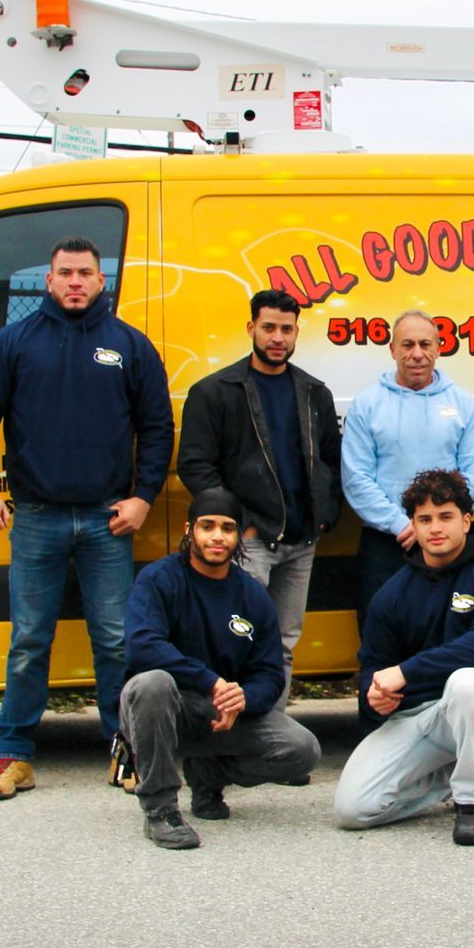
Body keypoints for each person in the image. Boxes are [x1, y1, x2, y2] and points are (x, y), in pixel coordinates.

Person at [0, 235, 173, 803]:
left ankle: (124, 751)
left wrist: (143, 498)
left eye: (86, 272)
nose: (76, 281)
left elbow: (157, 426)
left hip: (109, 521)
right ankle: (13, 756)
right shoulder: (14, 343)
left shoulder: (129, 346)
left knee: (113, 641)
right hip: (35, 517)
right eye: (66, 272)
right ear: (50, 281)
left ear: (102, 281)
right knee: (29, 640)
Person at [118, 489, 323, 849]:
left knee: (303, 750)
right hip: (166, 708)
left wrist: (242, 698)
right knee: (151, 683)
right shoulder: (159, 579)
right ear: (189, 530)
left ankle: (210, 773)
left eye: (227, 528)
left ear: (238, 536)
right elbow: (142, 646)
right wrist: (211, 683)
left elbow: (270, 673)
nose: (217, 536)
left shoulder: (252, 594)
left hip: (223, 714)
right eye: (207, 526)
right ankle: (160, 810)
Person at [335, 469, 474, 846]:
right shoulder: (393, 594)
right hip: (421, 715)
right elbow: (373, 667)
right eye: (424, 519)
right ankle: (446, 780)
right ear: (413, 526)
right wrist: (375, 696)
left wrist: (406, 673)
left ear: (466, 520)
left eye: (445, 516)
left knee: (469, 682)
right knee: (353, 809)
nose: (435, 528)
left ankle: (473, 799)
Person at [176, 289, 341, 708]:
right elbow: (196, 466)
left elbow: (332, 461)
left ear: (296, 332)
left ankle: (273, 732)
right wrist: (236, 523)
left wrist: (324, 515)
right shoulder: (215, 392)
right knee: (236, 639)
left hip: (301, 541)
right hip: (247, 542)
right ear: (251, 328)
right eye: (268, 327)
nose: (277, 337)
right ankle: (228, 733)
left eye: (287, 329)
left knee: (283, 642)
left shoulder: (312, 392)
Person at [339, 309, 474, 636]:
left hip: (448, 542)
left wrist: (436, 523)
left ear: (439, 347)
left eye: (425, 344)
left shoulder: (462, 402)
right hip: (386, 541)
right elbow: (356, 478)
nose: (417, 354)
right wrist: (402, 525)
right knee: (381, 635)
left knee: (451, 633)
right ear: (392, 349)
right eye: (407, 345)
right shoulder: (367, 404)